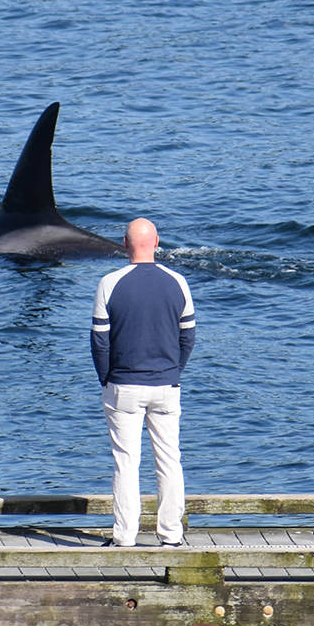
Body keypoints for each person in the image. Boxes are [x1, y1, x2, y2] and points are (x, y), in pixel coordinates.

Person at [91, 218, 196, 548]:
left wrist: (106, 378)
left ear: (125, 243)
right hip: (166, 384)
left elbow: (100, 342)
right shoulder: (177, 281)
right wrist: (173, 371)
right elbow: (188, 336)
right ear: (157, 242)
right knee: (169, 461)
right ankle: (171, 535)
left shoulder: (109, 283)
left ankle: (124, 536)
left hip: (123, 385)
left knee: (126, 463)